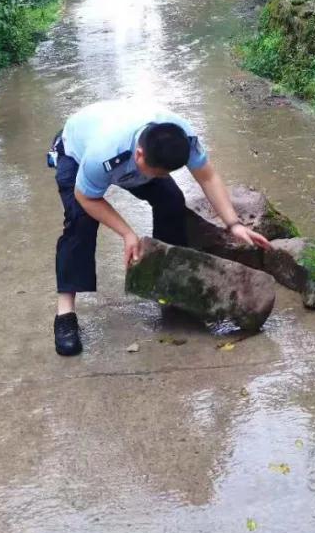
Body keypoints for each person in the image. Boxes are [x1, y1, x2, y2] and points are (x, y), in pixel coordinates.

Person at [50, 99, 271, 356]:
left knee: (171, 200)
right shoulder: (104, 154)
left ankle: (170, 285)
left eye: (164, 173)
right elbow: (86, 197)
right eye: (155, 172)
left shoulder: (182, 138)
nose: (157, 177)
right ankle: (65, 312)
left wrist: (234, 224)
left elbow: (207, 176)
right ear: (139, 155)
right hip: (75, 151)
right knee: (80, 223)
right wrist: (127, 234)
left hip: (130, 154)